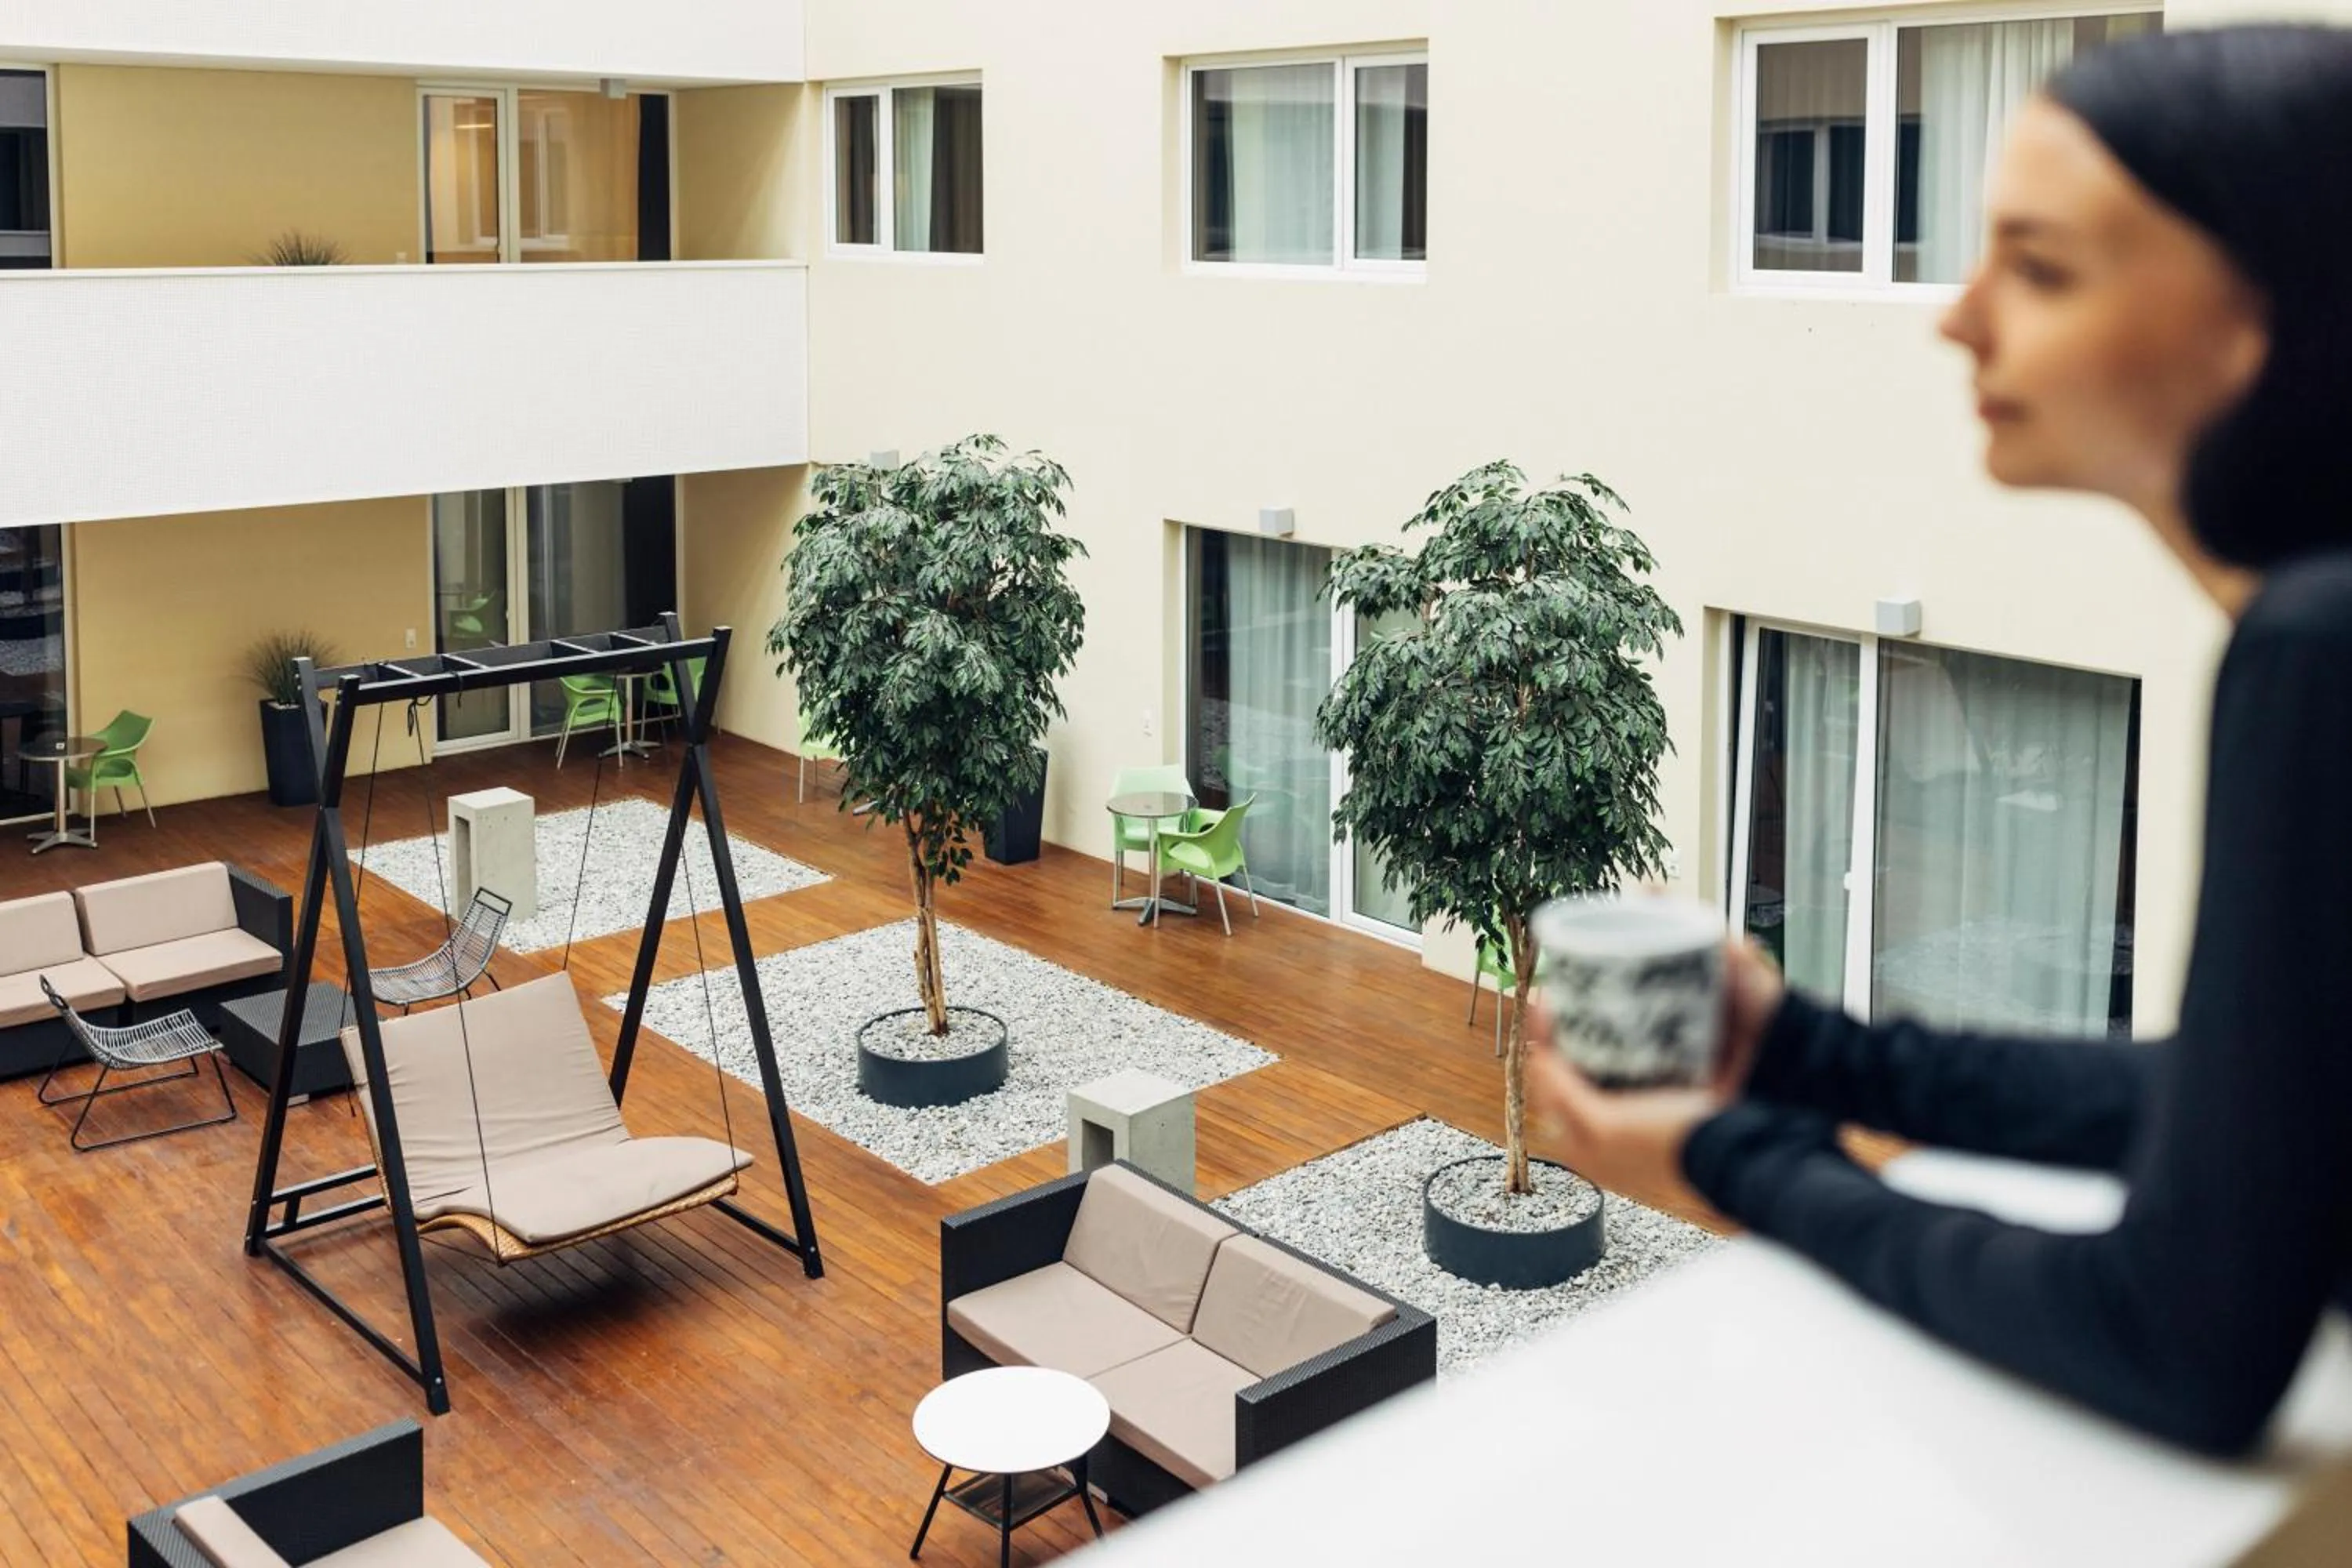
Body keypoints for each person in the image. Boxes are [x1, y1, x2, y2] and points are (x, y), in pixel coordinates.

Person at [1529, 23, 2352, 1458]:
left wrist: (1733, 1158)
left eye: (2039, 268)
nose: (1958, 318)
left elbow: (2178, 1337)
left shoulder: (2318, 648)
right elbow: (2247, 1104)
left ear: (2262, 318)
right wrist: (1808, 1051)